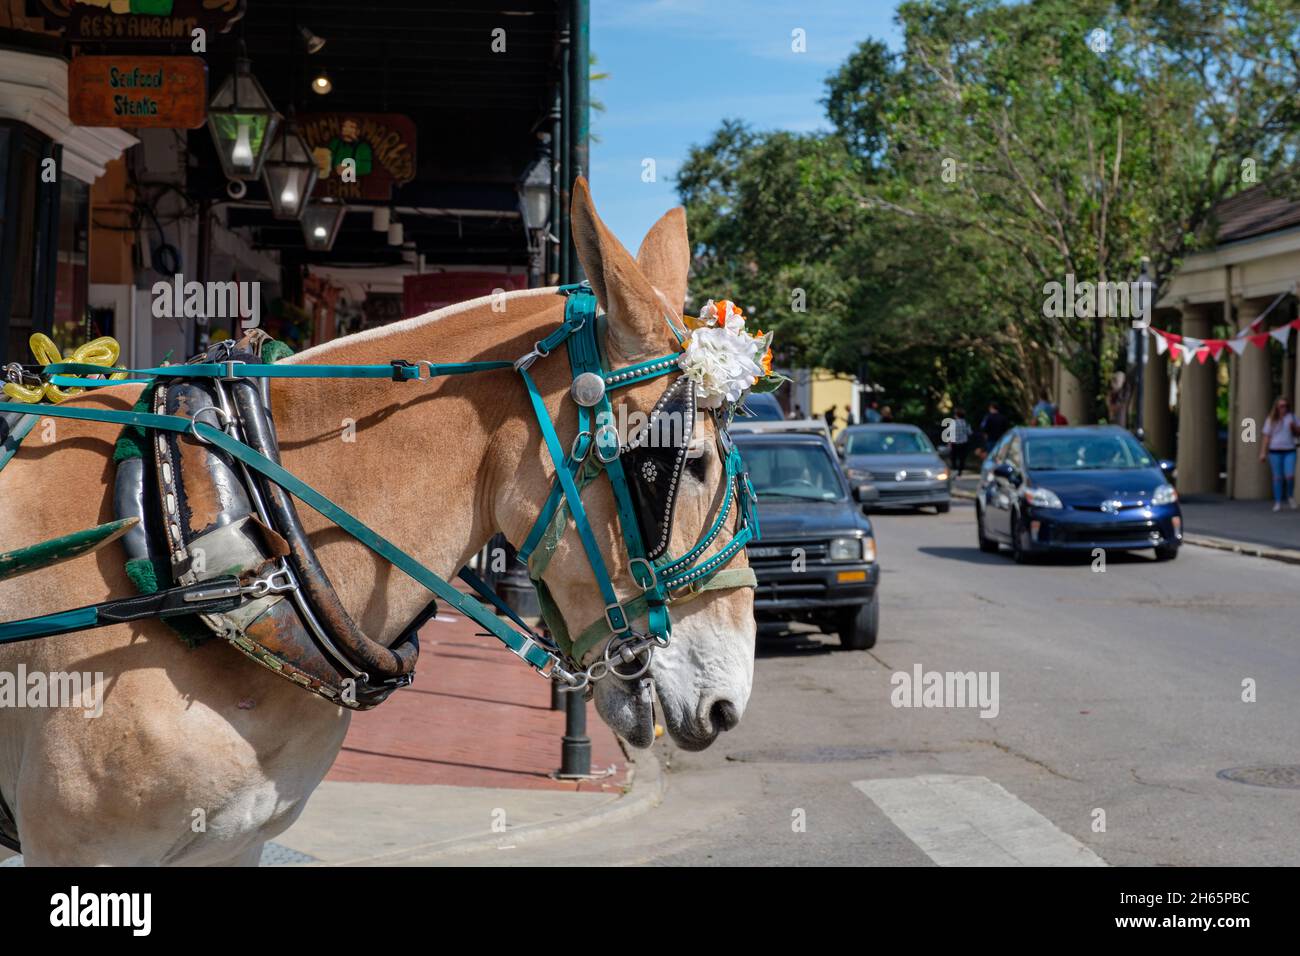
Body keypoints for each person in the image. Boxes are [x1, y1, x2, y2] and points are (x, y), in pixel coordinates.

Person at [1260, 397, 1299, 511]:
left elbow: (1298, 433)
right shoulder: (1271, 419)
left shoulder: (1292, 417)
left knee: (1289, 476)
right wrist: (1263, 452)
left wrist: (1294, 427)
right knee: (1277, 477)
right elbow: (1266, 437)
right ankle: (1277, 502)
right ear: (1277, 407)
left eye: (1286, 406)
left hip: (1289, 450)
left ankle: (1290, 495)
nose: (1284, 408)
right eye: (1282, 406)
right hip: (1275, 451)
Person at [949, 408, 972, 476]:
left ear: (956, 415)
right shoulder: (966, 423)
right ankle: (960, 471)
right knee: (962, 458)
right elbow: (970, 433)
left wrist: (949, 443)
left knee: (954, 457)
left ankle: (954, 469)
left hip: (954, 443)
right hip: (963, 443)